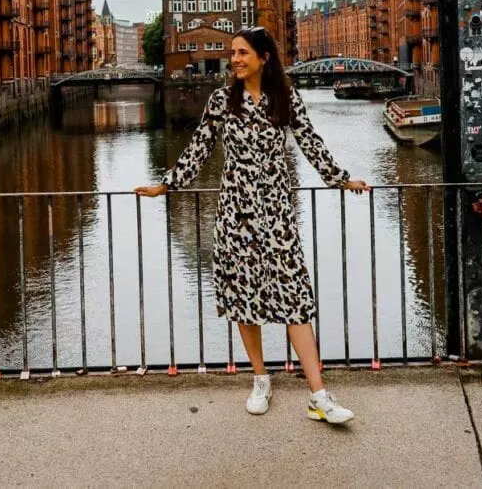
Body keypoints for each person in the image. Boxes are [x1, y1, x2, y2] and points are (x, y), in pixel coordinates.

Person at [135, 26, 368, 423]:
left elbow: (310, 141)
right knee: (245, 302)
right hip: (236, 216)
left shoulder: (285, 97)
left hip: (277, 215)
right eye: (232, 53)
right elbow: (200, 148)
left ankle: (320, 395)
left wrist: (340, 178)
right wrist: (166, 185)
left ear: (264, 57)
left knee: (295, 299)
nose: (235, 59)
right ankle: (261, 379)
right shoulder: (223, 100)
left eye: (243, 53)